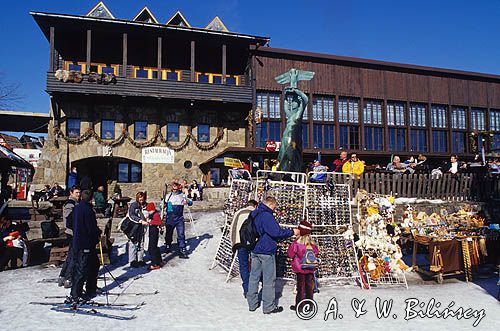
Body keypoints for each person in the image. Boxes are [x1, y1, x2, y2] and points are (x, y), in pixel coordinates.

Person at [247, 197, 300, 314]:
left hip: (255, 249)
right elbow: (276, 232)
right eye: (274, 207)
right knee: (268, 279)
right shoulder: (266, 215)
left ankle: (252, 303)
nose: (275, 210)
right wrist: (292, 232)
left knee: (254, 277)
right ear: (270, 204)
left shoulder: (255, 212)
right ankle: (268, 306)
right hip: (266, 250)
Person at [69, 190, 101, 304]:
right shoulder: (87, 210)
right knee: (82, 269)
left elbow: (69, 222)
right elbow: (91, 227)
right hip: (85, 243)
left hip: (81, 242)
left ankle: (90, 289)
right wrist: (97, 233)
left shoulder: (77, 207)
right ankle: (75, 294)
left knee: (94, 265)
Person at [287, 219, 319, 311]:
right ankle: (309, 305)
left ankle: (300, 305)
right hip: (310, 267)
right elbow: (316, 252)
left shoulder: (296, 244)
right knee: (309, 286)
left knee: (300, 287)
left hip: (299, 268)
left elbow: (290, 254)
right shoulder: (312, 244)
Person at [230, 200, 258, 298]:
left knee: (243, 266)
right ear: (255, 205)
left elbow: (232, 228)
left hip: (240, 243)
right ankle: (254, 288)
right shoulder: (256, 213)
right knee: (255, 266)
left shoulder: (239, 213)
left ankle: (247, 289)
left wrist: (233, 244)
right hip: (253, 243)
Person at [58, 185, 81, 288]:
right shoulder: (70, 204)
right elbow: (69, 220)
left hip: (74, 233)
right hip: (72, 233)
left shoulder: (76, 203)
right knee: (73, 256)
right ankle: (68, 277)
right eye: (76, 193)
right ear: (71, 193)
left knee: (71, 255)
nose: (78, 195)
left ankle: (63, 275)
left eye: (79, 193)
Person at [163, 181, 193, 259]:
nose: (175, 187)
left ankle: (182, 249)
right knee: (169, 233)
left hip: (179, 218)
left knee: (181, 234)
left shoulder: (182, 195)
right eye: (174, 186)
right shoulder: (168, 196)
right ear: (172, 187)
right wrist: (163, 206)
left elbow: (191, 202)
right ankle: (168, 245)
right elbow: (161, 205)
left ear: (178, 187)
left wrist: (188, 202)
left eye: (176, 186)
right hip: (170, 217)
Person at [128, 192, 148, 268]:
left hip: (142, 227)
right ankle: (132, 260)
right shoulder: (134, 205)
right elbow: (131, 215)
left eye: (142, 199)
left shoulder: (146, 205)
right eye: (140, 199)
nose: (141, 201)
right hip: (134, 226)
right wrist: (139, 220)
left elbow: (149, 212)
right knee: (133, 242)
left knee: (141, 242)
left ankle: (140, 259)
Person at [146, 202, 163, 270]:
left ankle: (154, 263)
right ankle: (159, 261)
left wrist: (151, 221)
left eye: (149, 211)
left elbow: (159, 222)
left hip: (154, 232)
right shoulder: (152, 214)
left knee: (152, 248)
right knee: (154, 247)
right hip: (152, 232)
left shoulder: (156, 215)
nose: (149, 212)